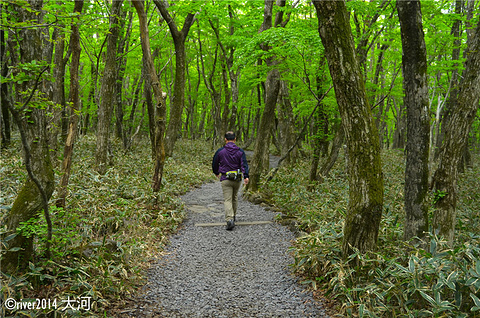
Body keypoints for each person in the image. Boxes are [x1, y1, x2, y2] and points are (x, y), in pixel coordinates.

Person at [212, 131, 249, 230]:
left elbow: (215, 162)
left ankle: (229, 219)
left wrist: (216, 172)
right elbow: (244, 164)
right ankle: (233, 216)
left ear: (225, 139)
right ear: (235, 139)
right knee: (234, 198)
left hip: (225, 178)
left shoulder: (220, 151)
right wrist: (246, 176)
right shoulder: (240, 152)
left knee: (227, 199)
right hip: (237, 179)